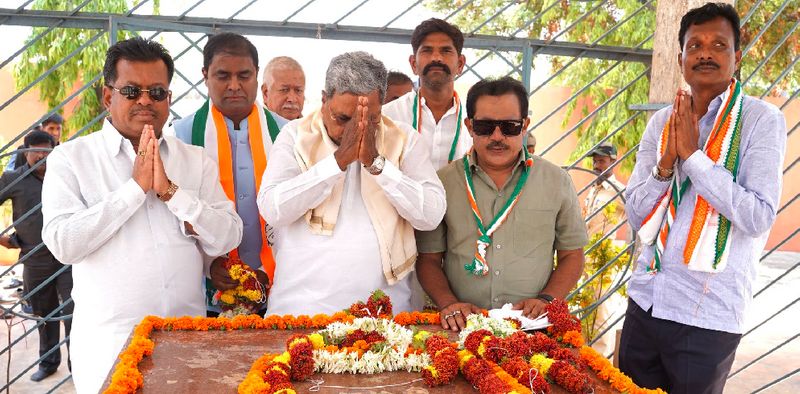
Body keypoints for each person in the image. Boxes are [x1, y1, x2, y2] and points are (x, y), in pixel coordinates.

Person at [41, 37, 242, 393]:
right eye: (132, 90)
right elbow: (63, 244)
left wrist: (172, 193)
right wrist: (134, 190)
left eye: (157, 91)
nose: (145, 100)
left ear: (169, 98)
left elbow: (228, 235)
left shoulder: (195, 161)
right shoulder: (73, 159)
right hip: (109, 348)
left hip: (187, 342)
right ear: (108, 97)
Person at [620, 4, 786, 393]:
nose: (705, 53)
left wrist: (695, 158)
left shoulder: (761, 120)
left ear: (736, 57)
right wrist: (666, 165)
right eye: (694, 45)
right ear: (681, 60)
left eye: (718, 44)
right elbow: (636, 215)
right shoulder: (662, 122)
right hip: (646, 301)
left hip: (706, 316)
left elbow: (759, 215)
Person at [257, 51, 445, 316]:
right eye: (343, 119)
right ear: (323, 100)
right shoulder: (295, 136)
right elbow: (272, 208)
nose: (355, 131)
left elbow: (431, 215)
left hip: (385, 316)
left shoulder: (404, 139)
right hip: (301, 312)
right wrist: (337, 162)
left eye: (371, 120)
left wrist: (378, 165)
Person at [415, 77, 588, 331]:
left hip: (532, 327)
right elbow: (428, 259)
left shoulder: (556, 181)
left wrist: (546, 300)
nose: (497, 136)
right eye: (485, 127)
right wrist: (449, 303)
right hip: (461, 327)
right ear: (469, 126)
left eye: (509, 126)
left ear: (525, 125)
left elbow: (572, 255)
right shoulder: (443, 182)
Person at [172, 33, 272, 311]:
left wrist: (272, 267)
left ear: (256, 74)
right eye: (222, 76)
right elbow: (173, 217)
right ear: (205, 75)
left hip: (276, 286)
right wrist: (210, 263)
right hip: (209, 291)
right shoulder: (180, 136)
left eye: (244, 75)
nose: (234, 86)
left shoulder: (286, 133)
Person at [0, 131, 73, 382]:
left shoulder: (66, 177)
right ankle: (49, 363)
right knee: (45, 313)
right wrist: (3, 241)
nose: (42, 156)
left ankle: (79, 364)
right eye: (36, 151)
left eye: (47, 151)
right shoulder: (13, 179)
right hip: (34, 257)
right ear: (25, 152)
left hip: (68, 256)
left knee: (74, 311)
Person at [383, 18, 472, 170]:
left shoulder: (475, 122)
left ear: (460, 64)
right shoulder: (387, 117)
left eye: (446, 50)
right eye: (427, 50)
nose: (436, 57)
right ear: (413, 64)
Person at [584, 142, 626, 237]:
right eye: (594, 161)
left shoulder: (619, 191)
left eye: (601, 161)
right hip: (585, 247)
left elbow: (637, 216)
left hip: (603, 249)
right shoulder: (593, 189)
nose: (596, 166)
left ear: (613, 162)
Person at [261, 56, 305, 123]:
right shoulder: (249, 129)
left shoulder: (313, 130)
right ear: (265, 93)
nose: (292, 99)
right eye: (284, 90)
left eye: (298, 90)